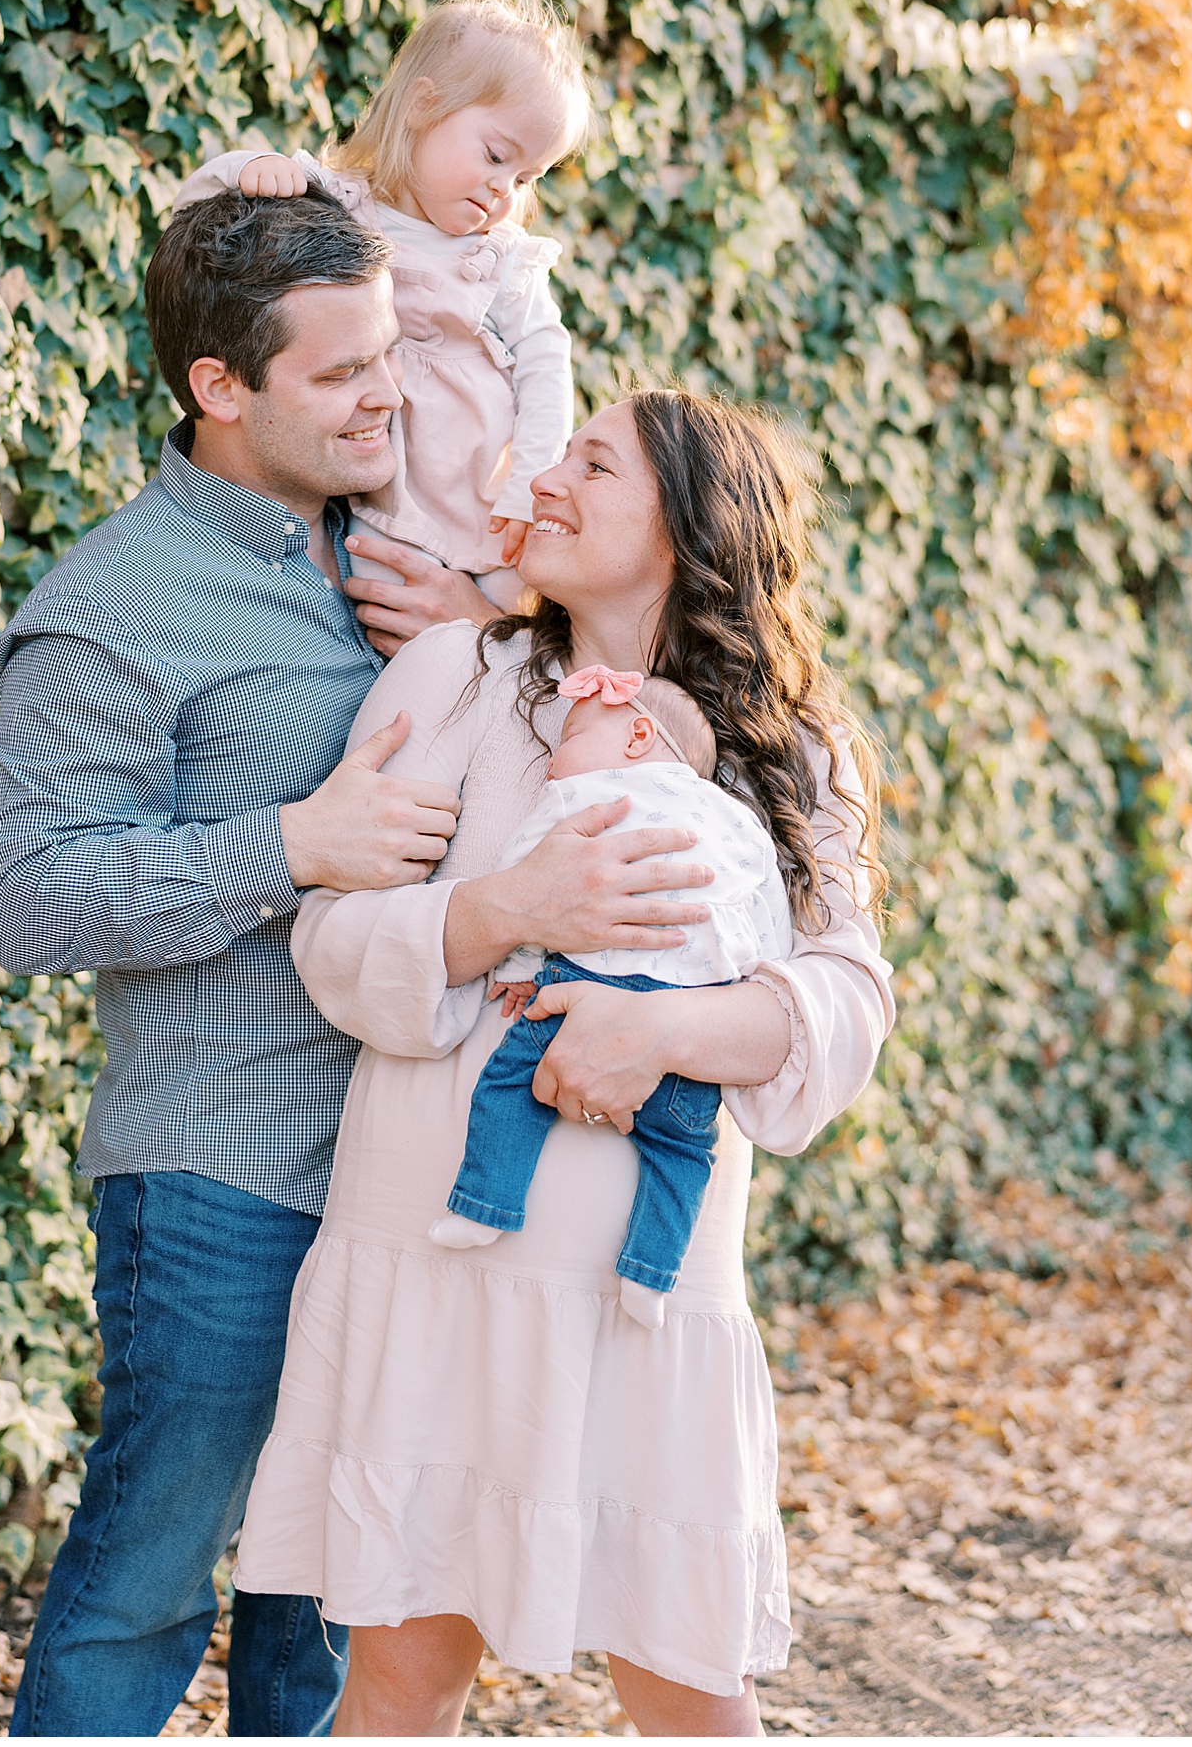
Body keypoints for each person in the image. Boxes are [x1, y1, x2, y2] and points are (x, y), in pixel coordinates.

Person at [0, 189, 711, 1739]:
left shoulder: (421, 567)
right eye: (343, 373)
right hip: (225, 1175)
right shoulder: (109, 609)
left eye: (393, 353)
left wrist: (493, 619)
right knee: (146, 1587)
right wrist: (289, 843)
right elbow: (32, 905)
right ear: (219, 387)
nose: (390, 394)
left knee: (329, 1602)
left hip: (420, 1186)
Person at [231, 389, 896, 1739]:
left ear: (689, 526)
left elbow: (843, 1004)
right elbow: (337, 938)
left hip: (642, 1294)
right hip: (436, 1258)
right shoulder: (452, 678)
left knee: (688, 1687)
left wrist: (661, 1029)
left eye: (594, 461)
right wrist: (513, 907)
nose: (548, 474)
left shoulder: (793, 756)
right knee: (402, 1675)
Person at [173, 0, 589, 617]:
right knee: (379, 624)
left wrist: (527, 487)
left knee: (513, 639)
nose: (505, 189)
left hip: (480, 500)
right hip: (377, 500)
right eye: (496, 155)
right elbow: (192, 225)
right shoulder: (341, 205)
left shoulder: (500, 259)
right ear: (424, 106)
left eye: (526, 177)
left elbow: (545, 371)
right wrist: (249, 167)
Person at [430, 663, 794, 1329]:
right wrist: (746, 979)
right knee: (684, 1152)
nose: (551, 763)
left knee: (510, 1086)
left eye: (567, 737)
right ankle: (651, 1276)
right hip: (694, 1006)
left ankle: (483, 1205)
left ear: (635, 737)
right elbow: (766, 907)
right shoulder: (738, 821)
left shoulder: (584, 800)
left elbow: (531, 880)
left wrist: (517, 964)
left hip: (585, 988)